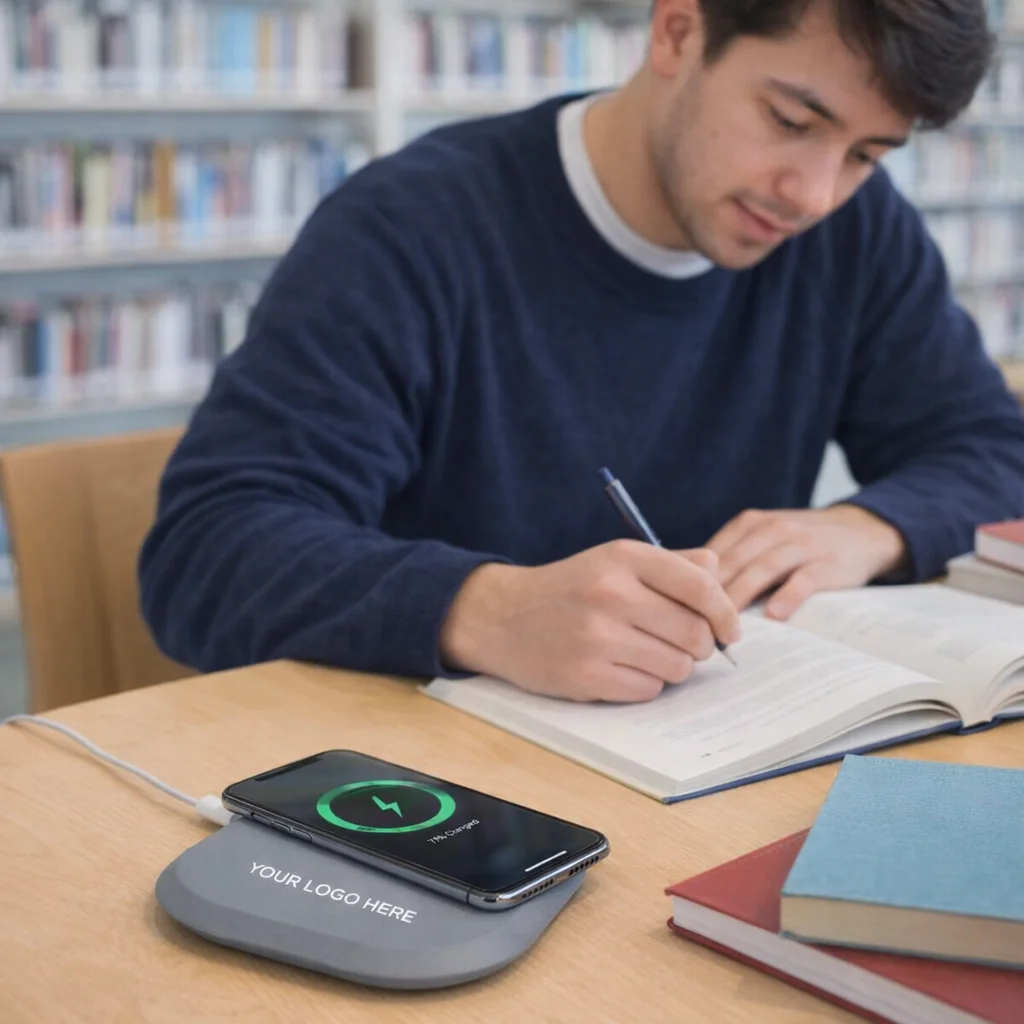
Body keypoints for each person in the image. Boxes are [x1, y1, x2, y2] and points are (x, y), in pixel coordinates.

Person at [138, 0, 1024, 705]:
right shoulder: (411, 229)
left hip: (706, 759)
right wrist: (482, 609)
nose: (815, 193)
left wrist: (870, 527)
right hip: (426, 787)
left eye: (867, 154)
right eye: (792, 119)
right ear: (678, 29)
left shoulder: (856, 234)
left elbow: (991, 449)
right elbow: (207, 550)